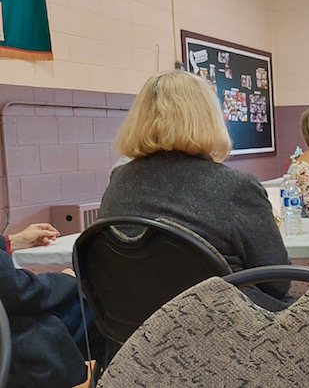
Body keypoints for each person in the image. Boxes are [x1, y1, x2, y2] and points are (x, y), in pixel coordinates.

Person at [99, 70, 291, 311]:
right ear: (209, 118)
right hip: (226, 321)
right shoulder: (236, 187)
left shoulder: (119, 181)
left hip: (133, 322)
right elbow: (278, 282)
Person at [1, 223, 102, 387]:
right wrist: (67, 280)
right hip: (14, 342)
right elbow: (20, 291)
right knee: (102, 306)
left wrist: (10, 241)